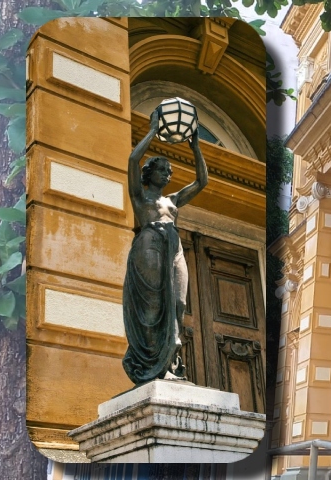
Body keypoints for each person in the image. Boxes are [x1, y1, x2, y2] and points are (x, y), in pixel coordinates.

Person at [122, 109, 208, 385]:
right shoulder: (139, 195)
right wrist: (152, 130)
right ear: (150, 173)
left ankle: (170, 360)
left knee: (179, 303)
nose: (168, 173)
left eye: (170, 171)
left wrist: (195, 146)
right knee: (152, 306)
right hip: (149, 244)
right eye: (162, 169)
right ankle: (151, 365)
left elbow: (202, 181)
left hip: (174, 246)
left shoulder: (173, 199)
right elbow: (133, 159)